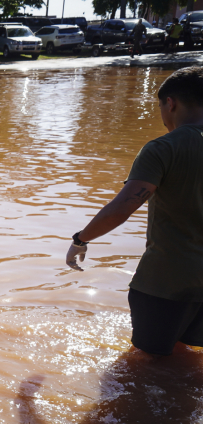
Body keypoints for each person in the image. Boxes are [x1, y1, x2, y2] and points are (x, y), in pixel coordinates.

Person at [65, 67, 203, 357]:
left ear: (171, 103)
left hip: (167, 280)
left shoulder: (164, 148)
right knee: (186, 356)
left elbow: (123, 208)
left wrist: (81, 239)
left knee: (148, 365)